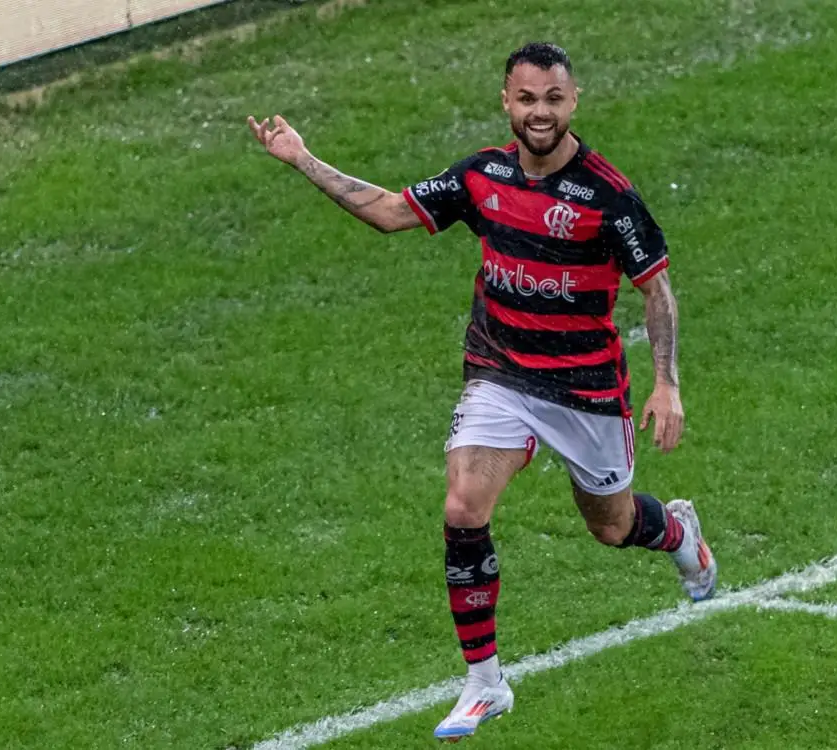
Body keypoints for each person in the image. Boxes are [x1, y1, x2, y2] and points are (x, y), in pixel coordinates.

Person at [247, 41, 716, 742]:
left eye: (553, 100)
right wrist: (302, 158)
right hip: (500, 374)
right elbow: (389, 211)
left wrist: (667, 384)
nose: (539, 113)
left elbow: (658, 288)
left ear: (573, 102)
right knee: (463, 503)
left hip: (585, 391)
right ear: (506, 101)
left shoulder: (608, 197)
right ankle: (484, 681)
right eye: (526, 99)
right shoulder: (482, 177)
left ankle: (680, 534)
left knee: (612, 525)